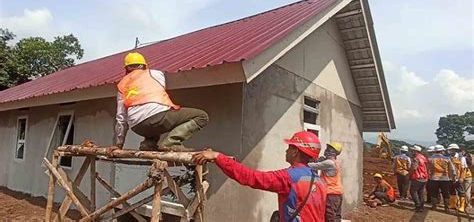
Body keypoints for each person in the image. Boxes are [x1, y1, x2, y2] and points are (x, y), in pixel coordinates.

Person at [192, 131, 327, 222]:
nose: (286, 150)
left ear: (295, 152)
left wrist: (217, 156)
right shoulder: (320, 181)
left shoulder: (289, 177)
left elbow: (251, 177)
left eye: (290, 147)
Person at [112, 52, 209, 152]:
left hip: (137, 127)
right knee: (201, 116)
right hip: (157, 118)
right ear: (144, 65)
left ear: (126, 68)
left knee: (154, 120)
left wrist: (119, 144)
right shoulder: (155, 73)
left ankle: (148, 144)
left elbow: (121, 118)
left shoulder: (122, 85)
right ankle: (171, 142)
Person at [309, 142, 343, 222]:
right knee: (336, 217)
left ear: (334, 152)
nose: (326, 150)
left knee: (329, 217)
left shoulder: (329, 163)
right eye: (327, 148)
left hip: (331, 193)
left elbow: (312, 166)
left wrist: (302, 162)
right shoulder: (334, 162)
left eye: (329, 149)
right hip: (337, 193)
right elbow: (321, 161)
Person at [428, 145, 455, 212]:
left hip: (433, 178)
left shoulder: (430, 159)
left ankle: (434, 206)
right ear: (442, 151)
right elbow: (452, 169)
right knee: (446, 193)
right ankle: (447, 208)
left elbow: (427, 169)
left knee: (434, 193)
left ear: (434, 151)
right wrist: (452, 177)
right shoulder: (447, 158)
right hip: (445, 178)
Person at [447, 143, 468, 212]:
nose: (449, 151)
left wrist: (461, 177)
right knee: (452, 191)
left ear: (454, 150)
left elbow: (463, 169)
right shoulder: (449, 157)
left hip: (458, 177)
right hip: (450, 177)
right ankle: (453, 205)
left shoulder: (461, 158)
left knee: (461, 191)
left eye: (451, 150)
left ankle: (462, 206)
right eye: (449, 150)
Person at [408, 145, 429, 213]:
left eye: (413, 151)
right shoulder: (423, 157)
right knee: (421, 192)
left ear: (416, 151)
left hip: (417, 177)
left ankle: (418, 206)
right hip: (424, 177)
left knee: (412, 191)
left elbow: (414, 168)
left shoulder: (416, 158)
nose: (411, 152)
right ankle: (421, 207)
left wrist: (409, 175)